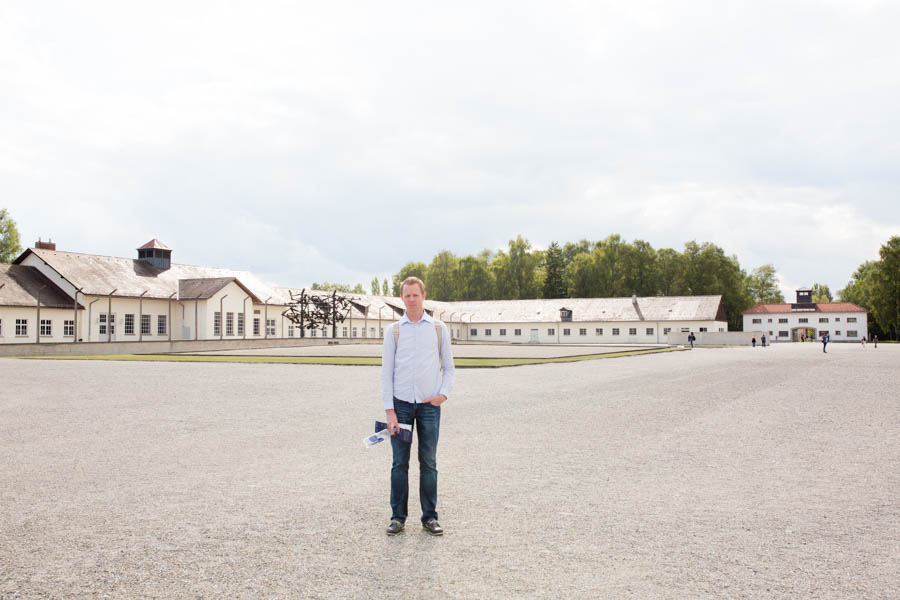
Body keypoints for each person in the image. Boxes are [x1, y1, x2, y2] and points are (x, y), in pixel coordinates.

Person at [381, 276, 455, 537]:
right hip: (400, 405)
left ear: (424, 296)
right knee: (399, 463)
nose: (412, 300)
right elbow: (386, 372)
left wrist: (442, 395)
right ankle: (398, 517)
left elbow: (449, 367)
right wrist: (389, 410)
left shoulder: (438, 329)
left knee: (429, 462)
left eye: (416, 295)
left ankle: (430, 517)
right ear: (402, 298)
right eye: (407, 295)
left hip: (428, 407)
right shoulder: (394, 331)